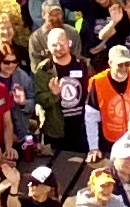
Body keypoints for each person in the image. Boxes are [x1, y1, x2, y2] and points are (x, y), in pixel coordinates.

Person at [34, 24, 92, 154]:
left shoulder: (82, 64)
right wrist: (53, 94)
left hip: (81, 128)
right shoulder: (44, 70)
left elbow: (92, 92)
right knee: (58, 168)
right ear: (48, 47)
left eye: (62, 43)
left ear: (69, 43)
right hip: (56, 131)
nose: (59, 48)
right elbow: (39, 99)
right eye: (54, 45)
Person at [84, 45, 130, 163]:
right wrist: (94, 148)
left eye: (127, 64)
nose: (124, 68)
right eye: (120, 64)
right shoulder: (98, 83)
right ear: (110, 63)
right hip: (109, 142)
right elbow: (91, 118)